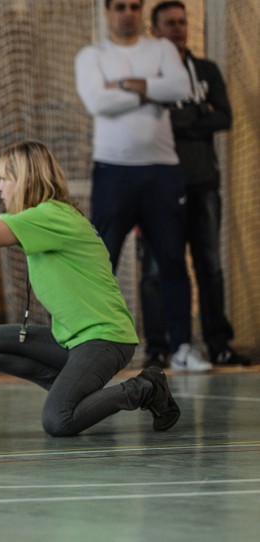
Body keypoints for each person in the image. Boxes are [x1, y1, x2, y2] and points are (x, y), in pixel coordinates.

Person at [0, 141, 180, 437]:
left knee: (58, 421)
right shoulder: (39, 217)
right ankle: (72, 392)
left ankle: (144, 387)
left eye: (5, 179)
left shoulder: (52, 215)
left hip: (105, 338)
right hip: (71, 340)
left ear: (25, 180)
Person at [74, 0, 209, 371]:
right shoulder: (92, 55)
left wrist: (127, 86)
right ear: (107, 12)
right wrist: (151, 89)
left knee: (171, 261)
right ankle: (91, 347)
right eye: (119, 6)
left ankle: (181, 347)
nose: (127, 13)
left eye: (134, 6)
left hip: (163, 171)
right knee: (103, 261)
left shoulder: (162, 48)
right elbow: (97, 101)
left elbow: (179, 87)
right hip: (113, 171)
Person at [140, 1, 246, 367]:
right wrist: (200, 114)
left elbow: (225, 118)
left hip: (203, 185)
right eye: (169, 23)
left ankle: (218, 344)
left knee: (210, 267)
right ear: (154, 30)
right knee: (157, 270)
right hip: (158, 189)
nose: (177, 28)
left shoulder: (205, 70)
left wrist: (183, 116)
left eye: (182, 22)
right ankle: (158, 348)